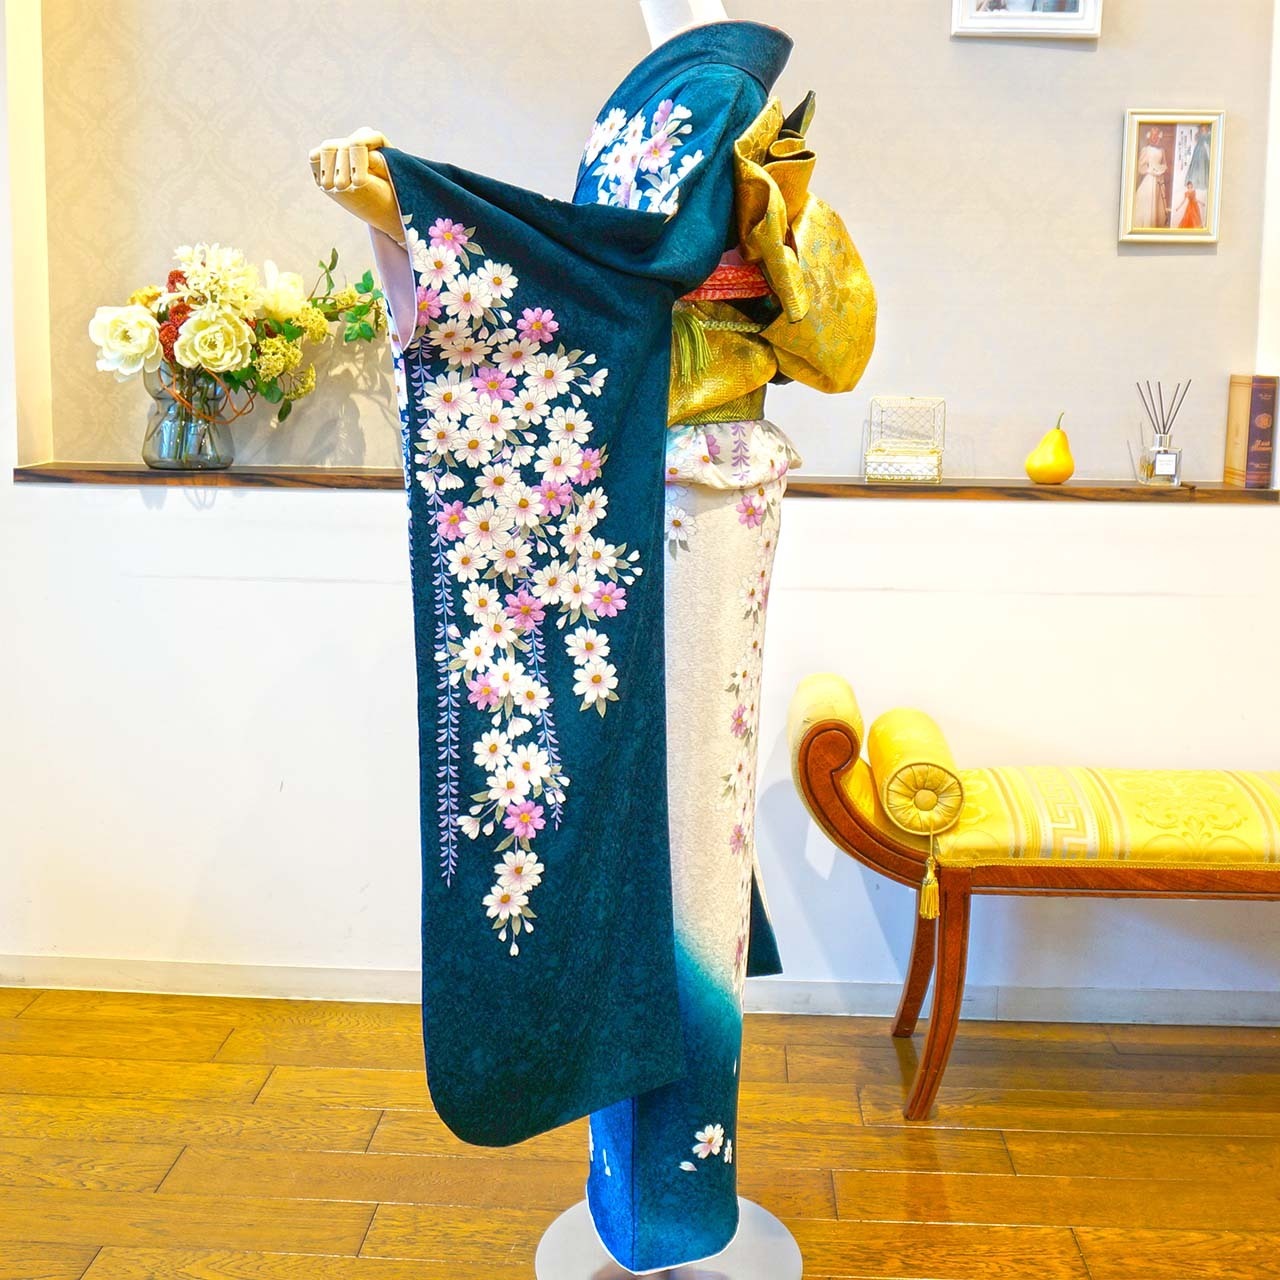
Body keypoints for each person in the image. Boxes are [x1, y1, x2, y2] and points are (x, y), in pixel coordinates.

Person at [1133, 127, 1169, 229]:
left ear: (1159, 136)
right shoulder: (1146, 150)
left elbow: (1165, 165)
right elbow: (1140, 167)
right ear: (1149, 136)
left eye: (1156, 135)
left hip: (1159, 180)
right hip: (1149, 179)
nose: (1154, 137)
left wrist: (1160, 170)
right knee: (1148, 203)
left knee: (1158, 204)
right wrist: (1149, 170)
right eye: (1153, 135)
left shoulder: (1162, 150)